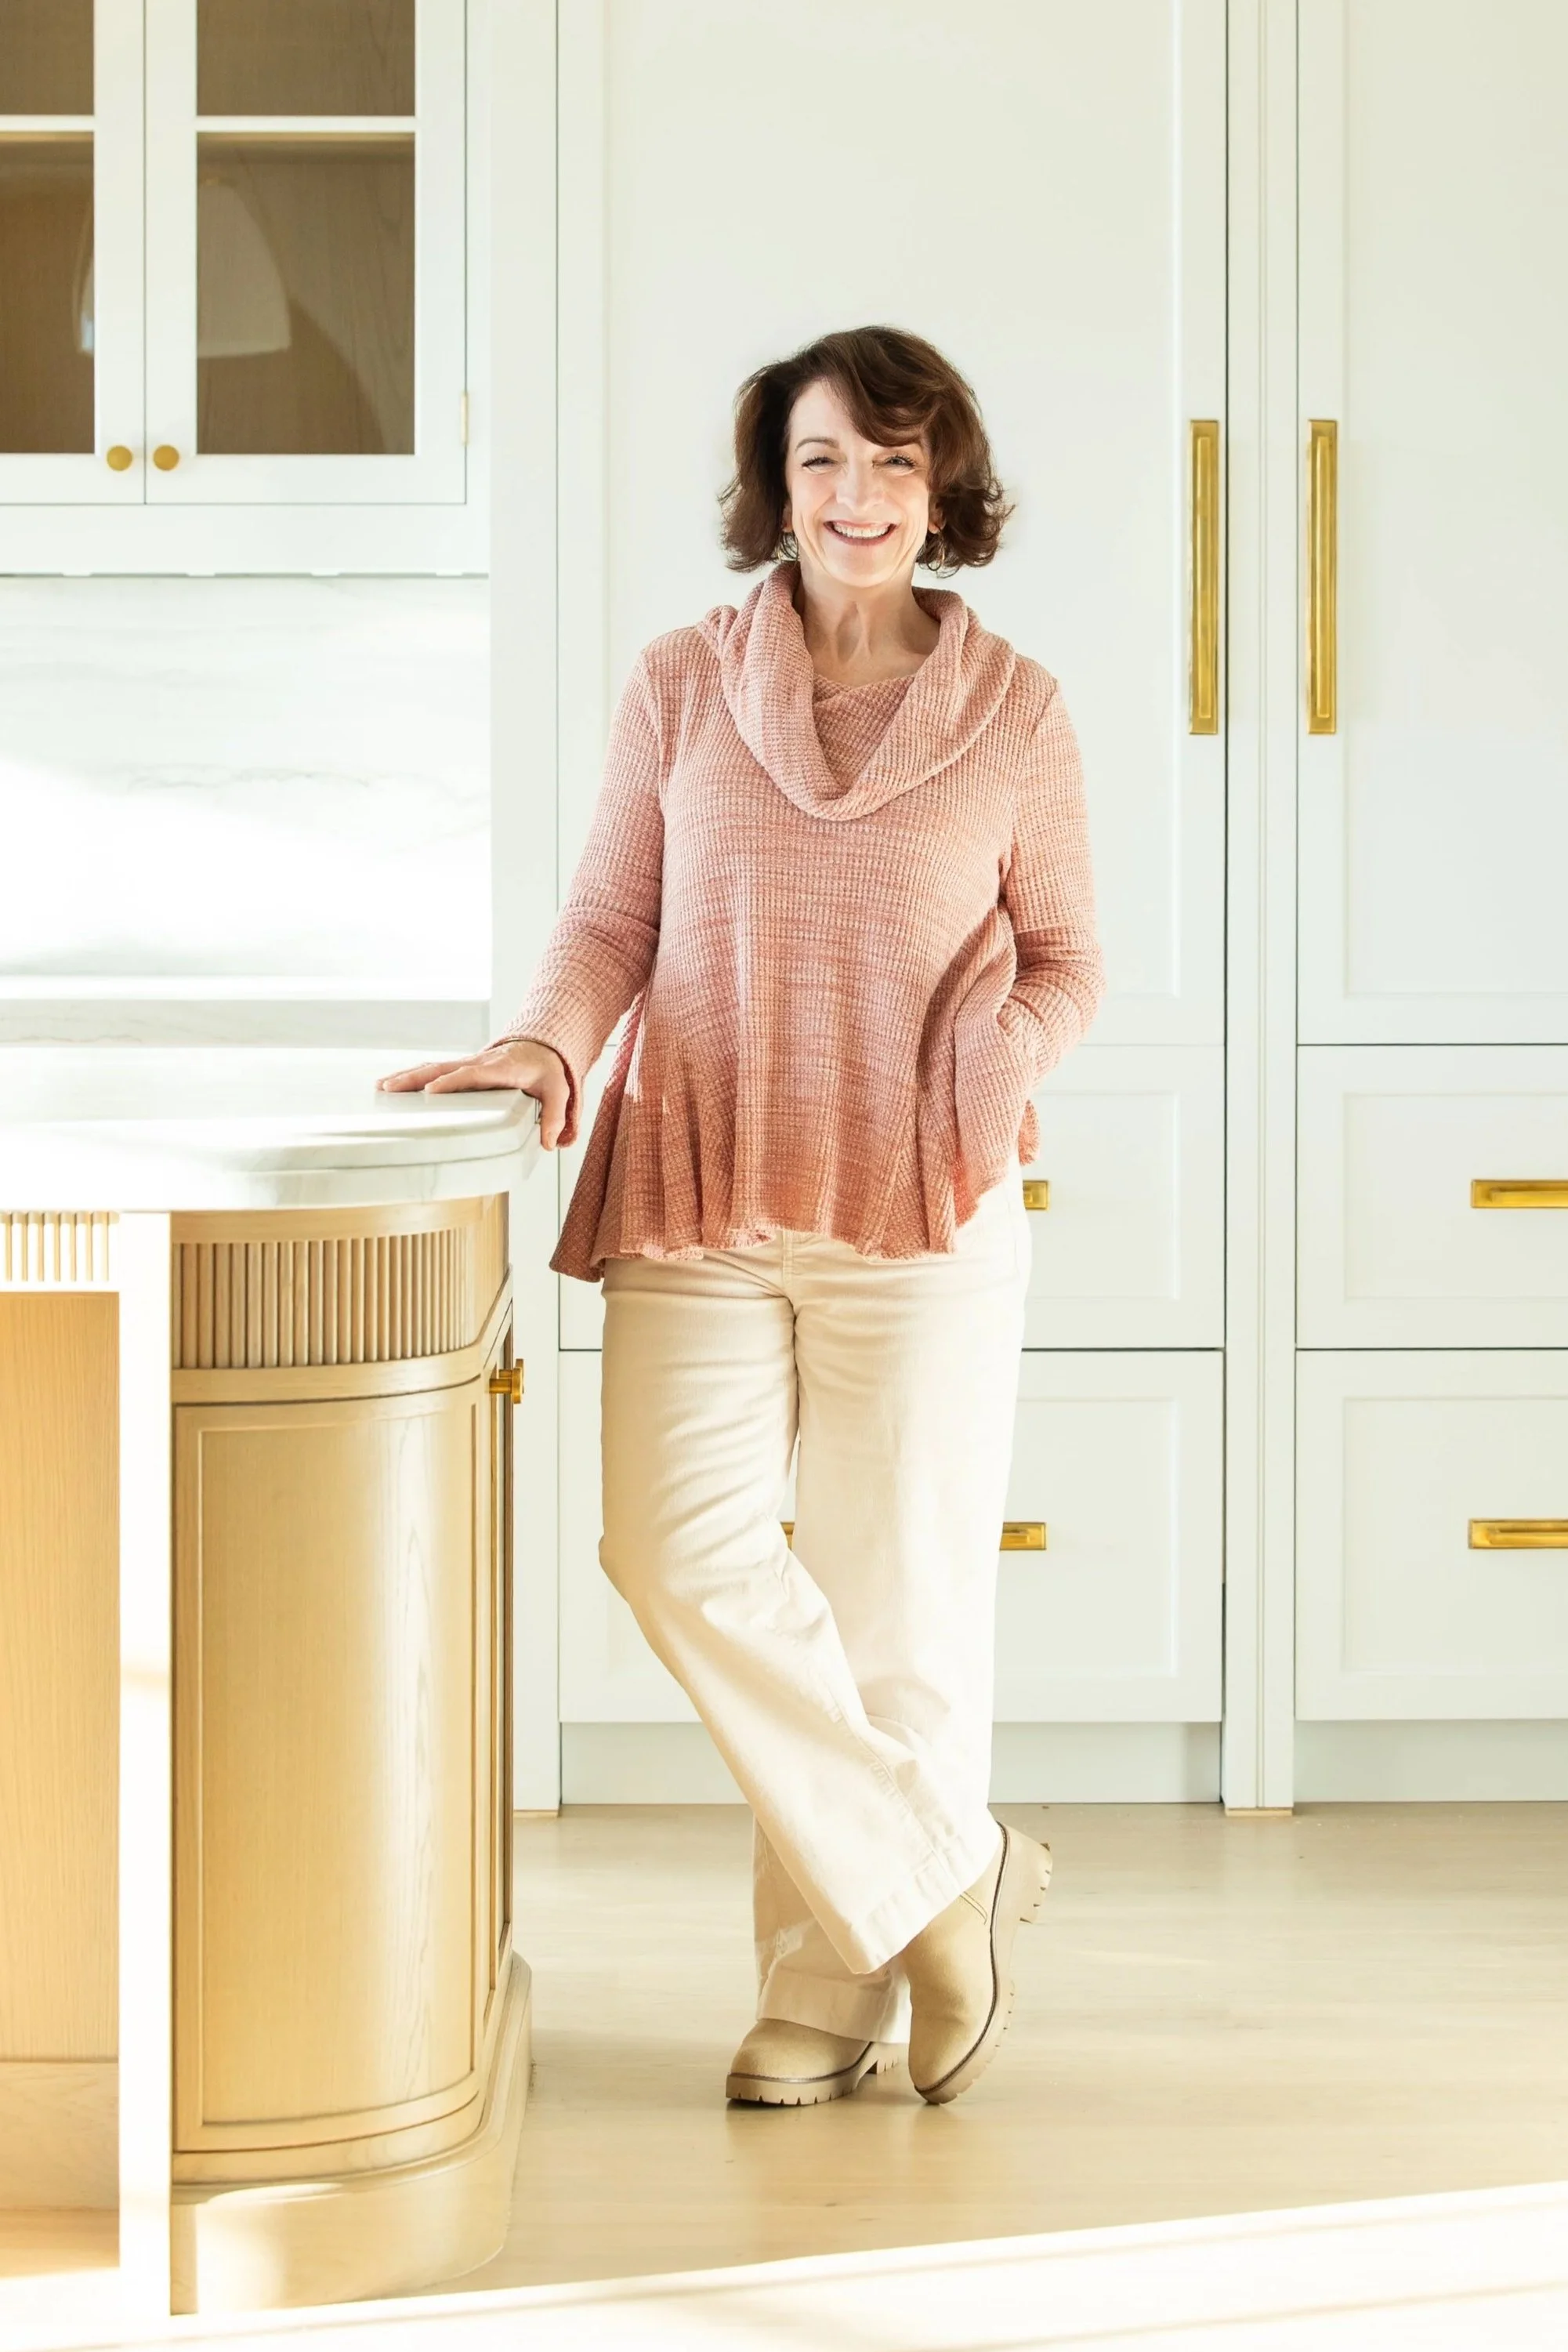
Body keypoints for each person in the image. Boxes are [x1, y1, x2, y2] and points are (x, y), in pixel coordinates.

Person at [382, 326, 1105, 2108]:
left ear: (941, 489)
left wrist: (996, 1060)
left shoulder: (1014, 706)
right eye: (818, 462)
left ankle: (830, 1986)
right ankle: (951, 1882)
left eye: (888, 462)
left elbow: (1076, 957)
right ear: (772, 489)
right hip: (702, 1172)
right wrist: (549, 1044)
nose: (853, 497)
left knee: (895, 1611)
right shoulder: (682, 682)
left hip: (920, 1206)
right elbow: (610, 917)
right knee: (673, 1546)